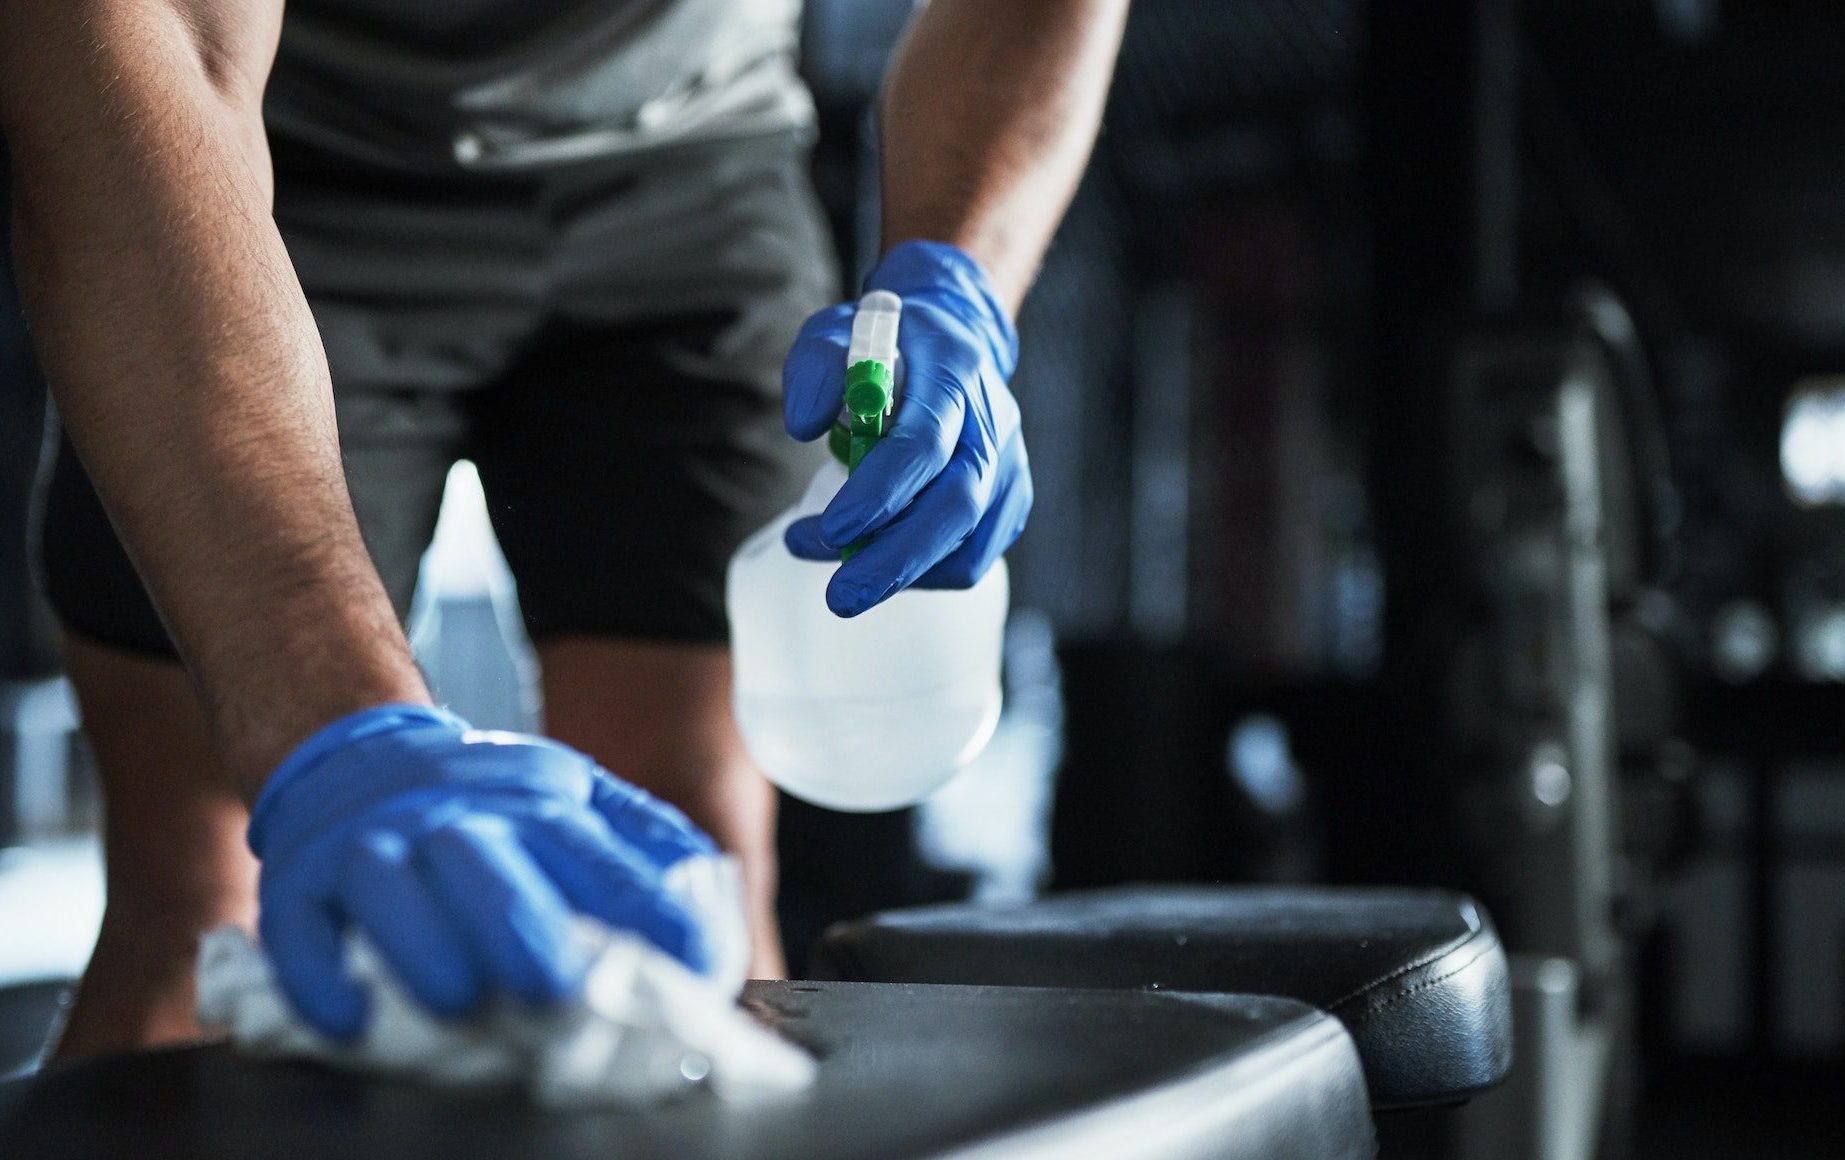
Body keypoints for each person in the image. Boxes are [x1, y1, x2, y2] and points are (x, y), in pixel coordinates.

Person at [0, 0, 1130, 1057]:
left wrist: (956, 276)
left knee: (693, 866)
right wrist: (334, 731)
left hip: (694, 160)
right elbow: (128, 42)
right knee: (209, 899)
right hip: (266, 155)